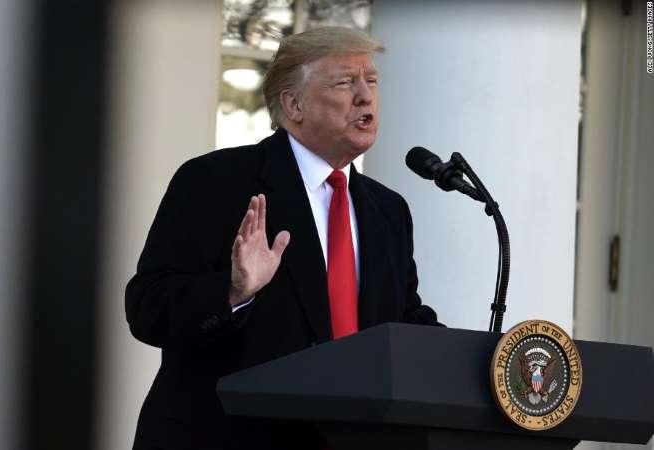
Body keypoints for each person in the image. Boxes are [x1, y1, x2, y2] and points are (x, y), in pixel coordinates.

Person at [125, 26, 441, 450]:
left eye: (371, 80)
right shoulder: (216, 181)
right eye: (345, 82)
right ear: (293, 105)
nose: (365, 96)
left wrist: (477, 361)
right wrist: (233, 291)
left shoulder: (388, 210)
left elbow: (402, 322)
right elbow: (148, 309)